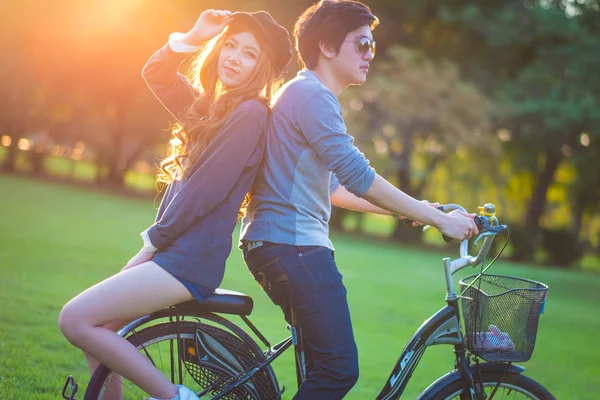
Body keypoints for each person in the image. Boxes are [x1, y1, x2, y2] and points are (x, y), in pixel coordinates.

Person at [239, 1, 479, 399]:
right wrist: (438, 221)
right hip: (296, 249)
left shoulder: (303, 93)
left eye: (372, 44)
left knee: (321, 371)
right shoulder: (312, 96)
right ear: (327, 47)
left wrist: (422, 210)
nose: (371, 53)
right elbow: (359, 175)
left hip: (277, 246)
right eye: (362, 43)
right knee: (337, 371)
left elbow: (337, 189)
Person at [58, 9, 291, 400]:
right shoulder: (212, 110)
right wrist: (195, 33)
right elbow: (157, 74)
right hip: (177, 255)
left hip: (187, 261)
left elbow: (203, 192)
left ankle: (175, 397)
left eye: (249, 53)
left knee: (76, 319)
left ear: (263, 67)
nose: (234, 57)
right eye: (230, 46)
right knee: (97, 332)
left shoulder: (250, 115)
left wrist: (150, 244)